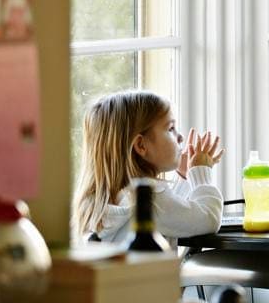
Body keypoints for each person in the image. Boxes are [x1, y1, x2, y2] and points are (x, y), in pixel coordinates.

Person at [73, 90, 224, 246]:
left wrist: (184, 177)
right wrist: (201, 174)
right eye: (171, 129)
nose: (181, 137)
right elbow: (209, 219)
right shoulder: (149, 200)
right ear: (141, 145)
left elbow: (175, 219)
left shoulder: (108, 200)